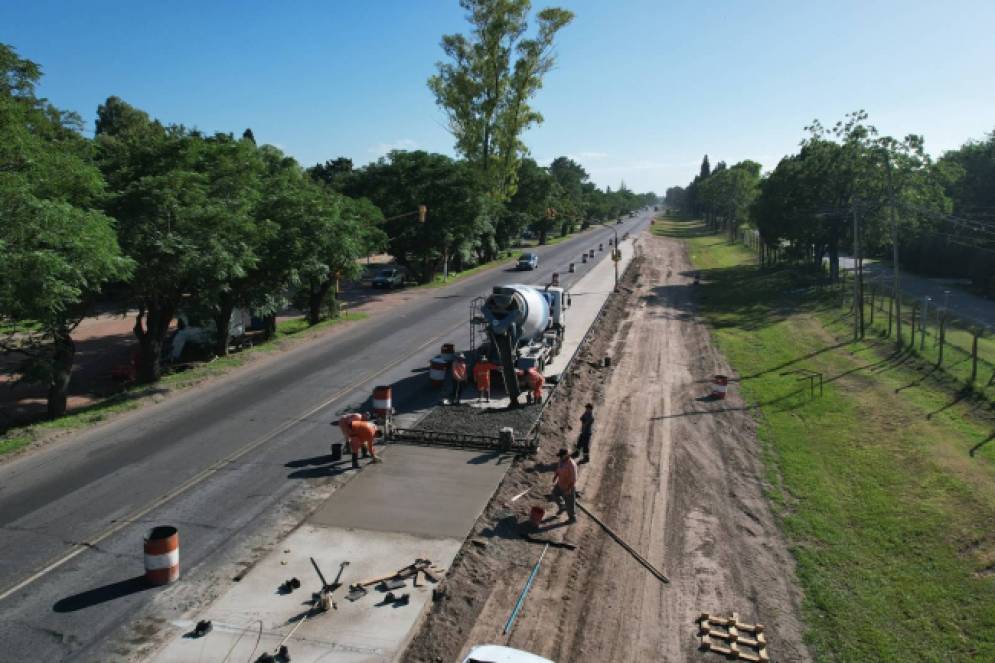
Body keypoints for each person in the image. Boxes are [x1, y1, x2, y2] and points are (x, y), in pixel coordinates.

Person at [551, 448, 577, 522]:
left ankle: (572, 518)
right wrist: (555, 476)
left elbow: (574, 480)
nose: (560, 457)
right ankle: (562, 506)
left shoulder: (572, 465)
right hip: (560, 483)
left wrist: (568, 489)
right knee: (554, 494)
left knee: (570, 504)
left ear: (566, 455)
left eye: (561, 456)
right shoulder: (561, 460)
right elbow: (558, 469)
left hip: (569, 487)